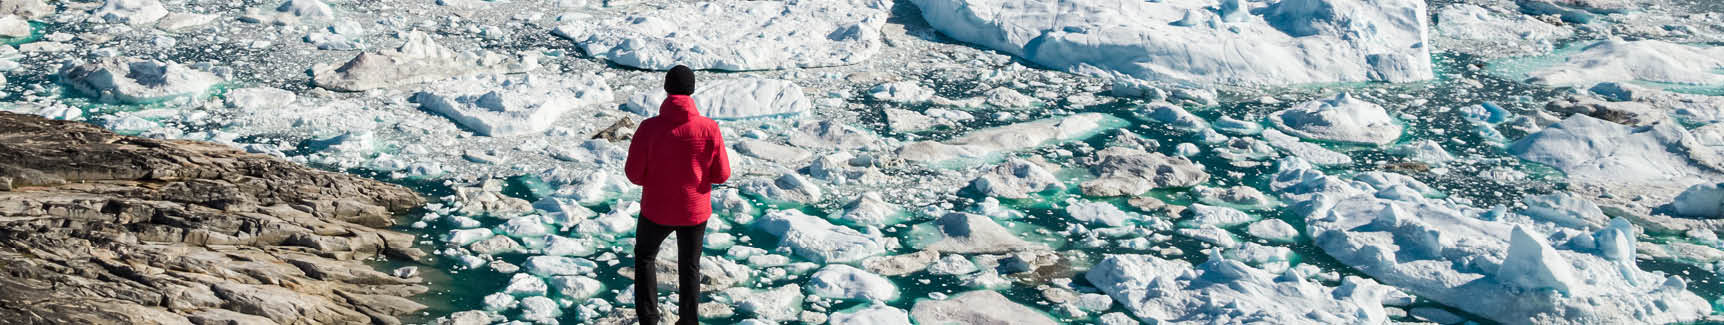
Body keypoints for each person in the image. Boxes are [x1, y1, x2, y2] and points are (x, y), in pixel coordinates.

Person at [624, 65, 730, 325]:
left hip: (656, 209)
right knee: (690, 265)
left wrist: (657, 181)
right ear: (692, 90)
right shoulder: (709, 128)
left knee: (645, 258)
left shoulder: (648, 128)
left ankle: (649, 319)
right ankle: (688, 321)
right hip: (694, 211)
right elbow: (722, 174)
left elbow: (634, 174)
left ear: (666, 88)